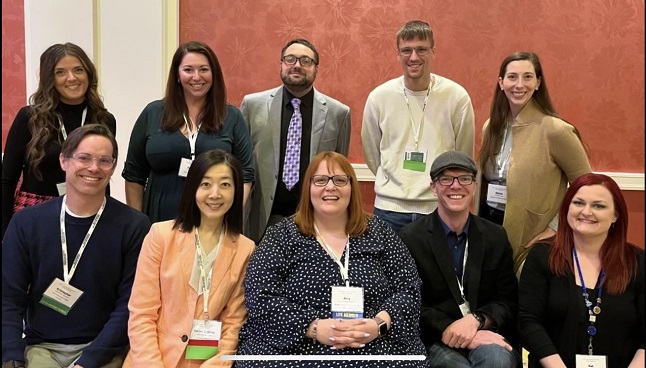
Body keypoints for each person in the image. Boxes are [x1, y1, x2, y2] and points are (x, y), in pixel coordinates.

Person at [236, 151, 427, 367]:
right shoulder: (281, 236)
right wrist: (312, 327)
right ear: (308, 188)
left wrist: (378, 324)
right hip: (299, 346)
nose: (330, 187)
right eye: (320, 180)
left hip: (375, 345)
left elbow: (409, 289)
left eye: (339, 180)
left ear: (351, 187)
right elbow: (259, 295)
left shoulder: (380, 233)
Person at [2, 124, 150, 368]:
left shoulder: (134, 226)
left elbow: (130, 304)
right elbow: (9, 296)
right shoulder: (26, 223)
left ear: (113, 167)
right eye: (84, 158)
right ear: (64, 161)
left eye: (104, 160)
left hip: (103, 349)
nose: (94, 167)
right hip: (42, 347)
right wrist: (10, 354)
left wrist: (90, 360)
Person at [124, 149, 255, 367]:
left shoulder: (245, 248)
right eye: (205, 184)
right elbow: (142, 314)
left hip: (205, 361)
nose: (215, 194)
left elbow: (233, 323)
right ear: (192, 187)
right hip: (152, 359)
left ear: (236, 191)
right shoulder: (161, 236)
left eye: (225, 184)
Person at [399, 150, 519, 368]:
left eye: (464, 179)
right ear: (433, 187)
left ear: (474, 186)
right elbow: (411, 303)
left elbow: (507, 301)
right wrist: (456, 330)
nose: (456, 186)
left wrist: (476, 321)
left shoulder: (495, 236)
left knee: (497, 360)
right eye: (446, 179)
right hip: (436, 337)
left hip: (484, 332)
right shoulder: (411, 238)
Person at [475, 51, 591, 274]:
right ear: (501, 83)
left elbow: (586, 186)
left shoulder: (555, 130)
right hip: (490, 227)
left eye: (528, 77)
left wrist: (556, 226)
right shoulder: (492, 127)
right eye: (512, 77)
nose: (519, 85)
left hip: (530, 238)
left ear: (538, 83)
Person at [519, 173, 644, 368]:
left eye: (598, 206)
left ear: (615, 215)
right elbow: (528, 321)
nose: (586, 212)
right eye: (578, 203)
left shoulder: (637, 262)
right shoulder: (542, 255)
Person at [361, 20, 475, 235]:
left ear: (433, 52)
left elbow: (463, 153)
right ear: (398, 54)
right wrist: (393, 176)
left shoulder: (456, 96)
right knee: (387, 270)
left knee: (436, 270)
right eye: (406, 50)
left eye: (421, 49)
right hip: (389, 209)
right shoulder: (379, 97)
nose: (414, 57)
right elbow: (371, 152)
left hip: (438, 206)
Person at [122, 41, 254, 223]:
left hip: (214, 219)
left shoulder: (232, 117)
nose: (197, 77)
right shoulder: (152, 113)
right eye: (188, 70)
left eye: (204, 70)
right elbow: (133, 174)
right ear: (177, 74)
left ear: (214, 74)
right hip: (159, 219)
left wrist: (230, 216)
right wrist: (138, 225)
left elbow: (245, 174)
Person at [2, 42, 117, 239]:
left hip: (86, 211)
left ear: (89, 74)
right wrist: (4, 232)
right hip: (35, 210)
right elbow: (7, 178)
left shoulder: (103, 119)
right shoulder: (30, 117)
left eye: (78, 70)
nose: (72, 78)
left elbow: (103, 173)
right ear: (50, 79)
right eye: (60, 72)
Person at [241, 38, 351, 243]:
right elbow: (242, 164)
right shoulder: (252, 105)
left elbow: (338, 169)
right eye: (290, 59)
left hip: (313, 221)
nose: (297, 65)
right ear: (281, 64)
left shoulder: (338, 113)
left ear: (316, 68)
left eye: (306, 61)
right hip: (262, 220)